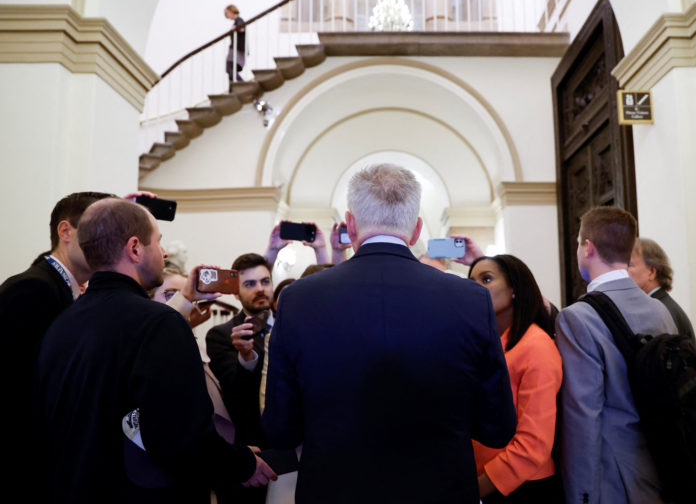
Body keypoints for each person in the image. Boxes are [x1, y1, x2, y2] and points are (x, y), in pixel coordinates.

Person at [262, 163, 516, 504]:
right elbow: (496, 427)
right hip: (440, 492)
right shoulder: (470, 300)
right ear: (416, 229)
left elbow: (280, 429)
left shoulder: (298, 299)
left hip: (335, 492)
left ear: (350, 224)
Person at [38, 198, 275, 503]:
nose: (163, 253)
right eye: (158, 242)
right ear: (135, 248)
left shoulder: (62, 323)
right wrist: (242, 464)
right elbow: (179, 434)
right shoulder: (159, 324)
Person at [555, 206, 677, 504]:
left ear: (588, 248)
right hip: (662, 468)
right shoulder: (659, 308)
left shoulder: (577, 318)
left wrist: (581, 496)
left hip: (612, 480)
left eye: (578, 244)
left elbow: (583, 418)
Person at [0, 191, 114, 496]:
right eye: (99, 232)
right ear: (66, 231)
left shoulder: (73, 291)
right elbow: (17, 395)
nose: (109, 244)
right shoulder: (31, 289)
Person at [468, 255, 563, 503]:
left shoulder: (536, 346)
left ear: (513, 289)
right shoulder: (486, 343)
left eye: (486, 279)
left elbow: (534, 444)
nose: (476, 287)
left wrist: (476, 489)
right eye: (472, 280)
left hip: (523, 486)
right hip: (485, 480)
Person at [206, 253, 274, 452]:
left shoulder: (291, 325)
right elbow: (236, 394)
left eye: (265, 281)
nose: (260, 289)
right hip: (255, 444)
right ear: (236, 293)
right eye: (250, 284)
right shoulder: (221, 335)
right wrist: (246, 357)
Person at [628, 237, 696, 351]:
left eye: (630, 265)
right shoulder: (663, 306)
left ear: (652, 272)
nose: (623, 272)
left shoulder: (659, 311)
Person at [224, 4, 246, 82]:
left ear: (231, 11)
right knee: (231, 70)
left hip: (236, 49)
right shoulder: (237, 21)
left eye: (227, 13)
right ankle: (231, 91)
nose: (226, 15)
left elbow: (242, 28)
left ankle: (242, 83)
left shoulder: (239, 20)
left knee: (229, 68)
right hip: (235, 49)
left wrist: (235, 28)